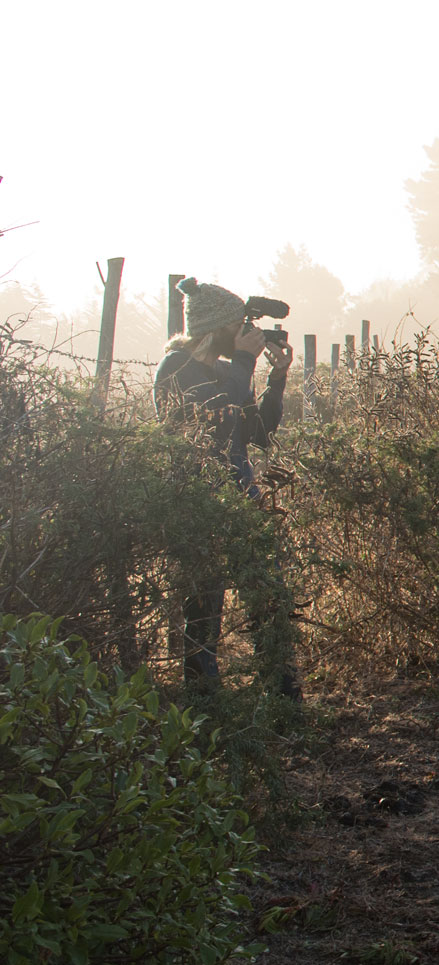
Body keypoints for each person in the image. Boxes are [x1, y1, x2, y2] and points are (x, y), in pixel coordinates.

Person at [154, 278, 299, 698]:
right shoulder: (176, 368)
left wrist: (277, 378)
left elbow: (259, 431)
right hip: (198, 503)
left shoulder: (225, 368)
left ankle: (285, 697)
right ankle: (207, 704)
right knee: (203, 611)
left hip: (242, 498)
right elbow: (218, 417)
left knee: (269, 597)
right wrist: (242, 361)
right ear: (216, 329)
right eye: (238, 327)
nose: (245, 335)